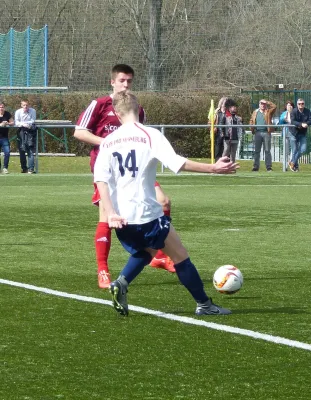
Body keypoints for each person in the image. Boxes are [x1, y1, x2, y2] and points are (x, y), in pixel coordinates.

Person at [94, 90, 239, 317]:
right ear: (139, 109)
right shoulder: (149, 135)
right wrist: (213, 168)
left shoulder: (108, 142)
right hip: (147, 213)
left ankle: (121, 283)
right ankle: (204, 304)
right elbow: (177, 163)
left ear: (115, 112)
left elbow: (100, 180)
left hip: (120, 217)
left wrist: (110, 213)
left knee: (148, 250)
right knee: (180, 255)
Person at [74, 64, 175, 290]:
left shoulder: (136, 109)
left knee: (164, 201)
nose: (125, 85)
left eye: (129, 81)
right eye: (121, 81)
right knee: (107, 217)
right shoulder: (99, 105)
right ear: (112, 82)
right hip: (109, 172)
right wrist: (109, 143)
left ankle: (158, 254)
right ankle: (103, 269)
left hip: (136, 170)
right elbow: (79, 132)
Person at [249, 99, 276, 172]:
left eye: (264, 104)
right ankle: (255, 167)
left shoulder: (268, 111)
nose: (263, 105)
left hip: (266, 133)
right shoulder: (255, 112)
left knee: (267, 150)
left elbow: (274, 106)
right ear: (259, 104)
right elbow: (251, 120)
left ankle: (268, 167)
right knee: (257, 151)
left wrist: (267, 102)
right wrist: (251, 127)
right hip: (257, 133)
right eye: (261, 103)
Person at [288, 98, 311, 172]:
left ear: (304, 104)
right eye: (299, 104)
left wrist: (307, 124)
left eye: (302, 104)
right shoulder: (294, 111)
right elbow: (292, 121)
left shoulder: (307, 111)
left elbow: (310, 120)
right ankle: (295, 166)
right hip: (293, 133)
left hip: (302, 133)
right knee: (294, 150)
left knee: (303, 149)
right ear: (297, 104)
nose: (301, 105)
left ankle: (292, 162)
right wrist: (301, 124)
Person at [15, 100, 37, 174]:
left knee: (30, 150)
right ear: (21, 105)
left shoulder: (33, 111)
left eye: (27, 105)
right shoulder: (18, 112)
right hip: (20, 131)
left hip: (30, 131)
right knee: (22, 150)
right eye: (24, 105)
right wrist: (23, 124)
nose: (25, 107)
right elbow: (17, 122)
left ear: (29, 105)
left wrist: (27, 124)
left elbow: (33, 120)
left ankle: (31, 169)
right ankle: (24, 168)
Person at [209, 97, 227, 161]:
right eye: (224, 103)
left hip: (226, 134)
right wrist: (212, 129)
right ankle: (217, 163)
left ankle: (225, 164)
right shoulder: (216, 112)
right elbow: (210, 121)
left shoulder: (229, 112)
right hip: (218, 133)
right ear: (221, 103)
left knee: (226, 150)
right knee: (218, 149)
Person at [0, 101, 14, 174]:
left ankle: (5, 168)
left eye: (2, 107)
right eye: (0, 107)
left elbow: (12, 122)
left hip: (4, 137)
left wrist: (7, 123)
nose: (1, 108)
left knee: (7, 153)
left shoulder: (7, 114)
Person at [278, 101, 294, 166]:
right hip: (286, 133)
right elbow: (280, 122)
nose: (289, 107)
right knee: (285, 149)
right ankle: (285, 165)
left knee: (293, 149)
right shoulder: (284, 113)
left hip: (293, 133)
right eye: (288, 105)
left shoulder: (295, 113)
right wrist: (284, 119)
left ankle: (292, 163)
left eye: (290, 105)